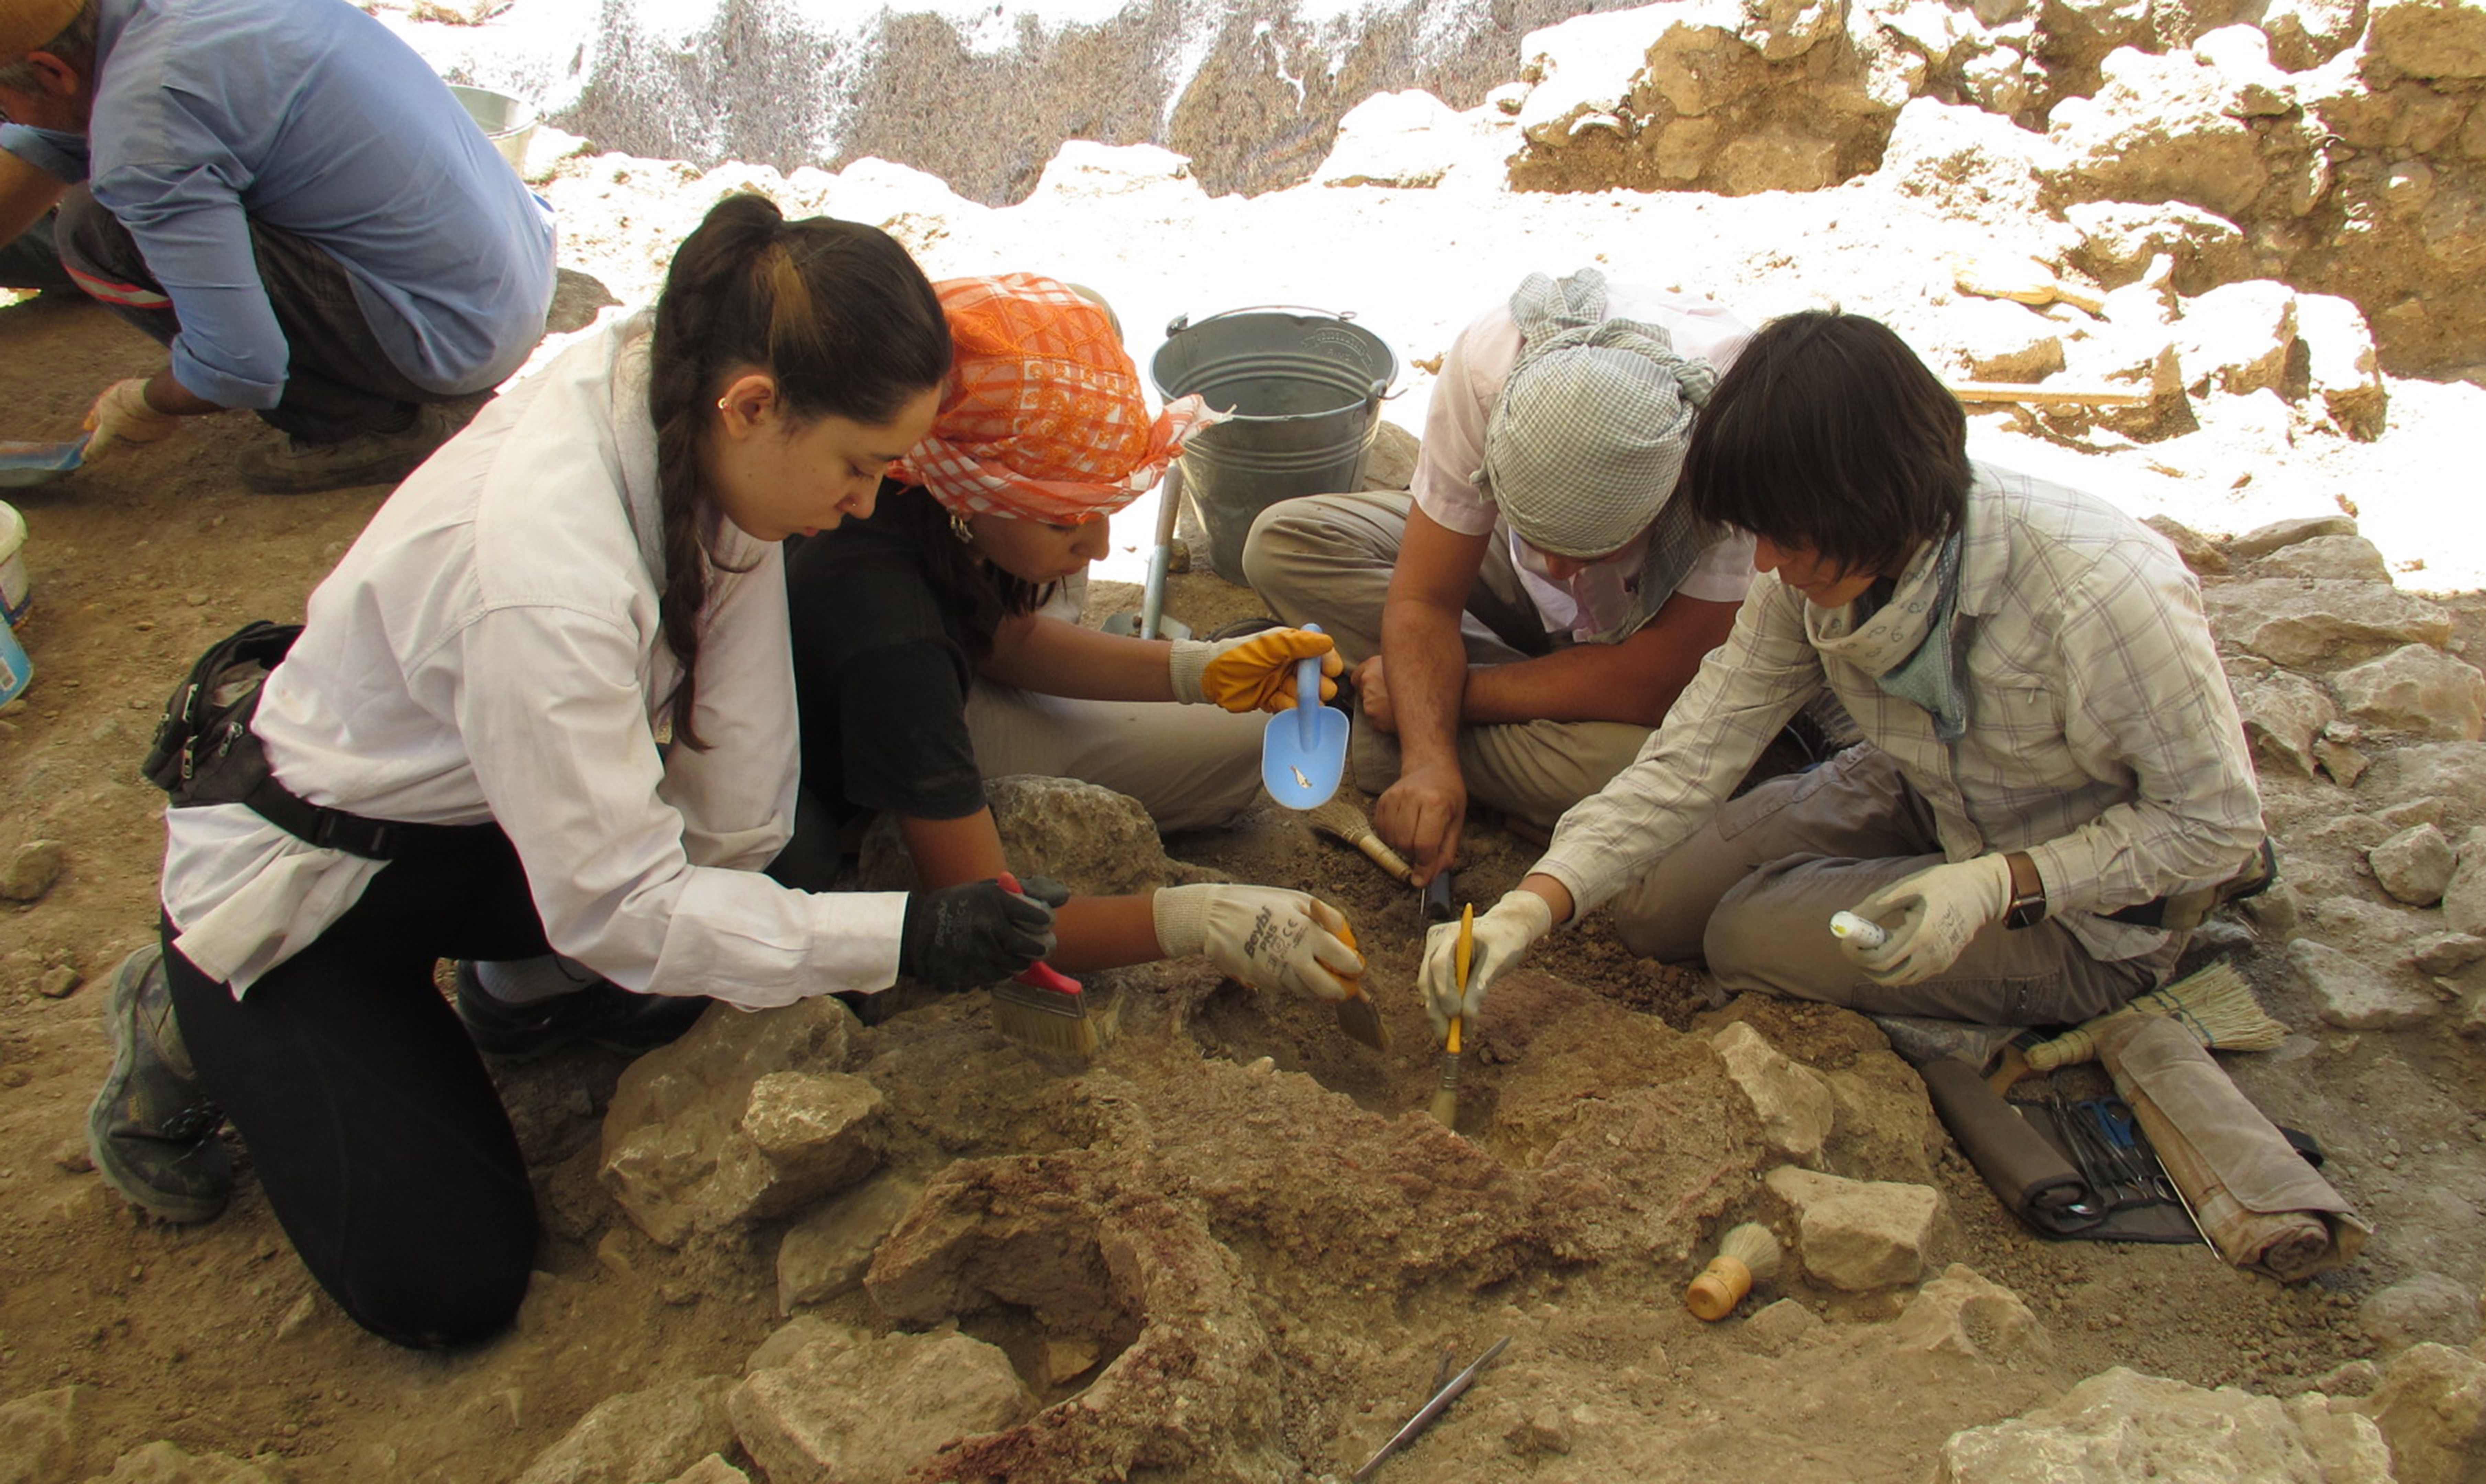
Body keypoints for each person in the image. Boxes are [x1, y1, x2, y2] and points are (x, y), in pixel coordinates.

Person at [83, 195, 1061, 1351]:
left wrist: (795, 916)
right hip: (318, 886)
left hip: (479, 808)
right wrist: (902, 936)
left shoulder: (688, 388)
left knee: (783, 871)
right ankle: (185, 1009)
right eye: (862, 465)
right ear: (756, 408)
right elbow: (626, 908)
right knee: (450, 1284)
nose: (868, 502)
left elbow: (736, 794)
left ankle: (515, 985)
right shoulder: (545, 582)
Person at [1417, 309, 2267, 1036]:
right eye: (1762, 536)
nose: (1774, 566)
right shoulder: (1806, 572)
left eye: (1791, 538)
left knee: (1745, 939)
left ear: (1875, 501)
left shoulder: (2102, 592)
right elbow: (1695, 753)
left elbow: (2218, 829)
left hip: (2090, 907)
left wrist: (2000, 886)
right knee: (1646, 905)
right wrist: (1530, 907)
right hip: (1923, 785)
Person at [782, 272, 1366, 1001]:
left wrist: (1202, 669)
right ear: (978, 500)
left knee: (1092, 309)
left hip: (946, 670)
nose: (1098, 545)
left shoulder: (934, 482)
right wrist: (1197, 917)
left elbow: (1010, 642)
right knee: (1255, 743)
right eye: (1065, 516)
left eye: (1104, 506)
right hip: (889, 753)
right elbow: (982, 916)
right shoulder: (894, 634)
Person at [1242, 268, 1751, 887]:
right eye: (1543, 538)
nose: (1561, 571)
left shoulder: (1738, 434)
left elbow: (1662, 681)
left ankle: (1385, 718)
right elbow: (1425, 599)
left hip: (1652, 661)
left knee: (1681, 774)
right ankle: (1477, 724)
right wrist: (1429, 763)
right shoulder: (1490, 369)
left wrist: (1445, 698)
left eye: (1592, 551)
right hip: (1524, 602)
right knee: (1286, 544)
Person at [0, 0, 557, 493]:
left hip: (456, 336)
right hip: (517, 265)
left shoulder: (146, 118)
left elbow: (240, 367)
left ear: (50, 71)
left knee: (97, 231)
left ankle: (363, 426)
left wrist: (146, 401)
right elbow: (44, 142)